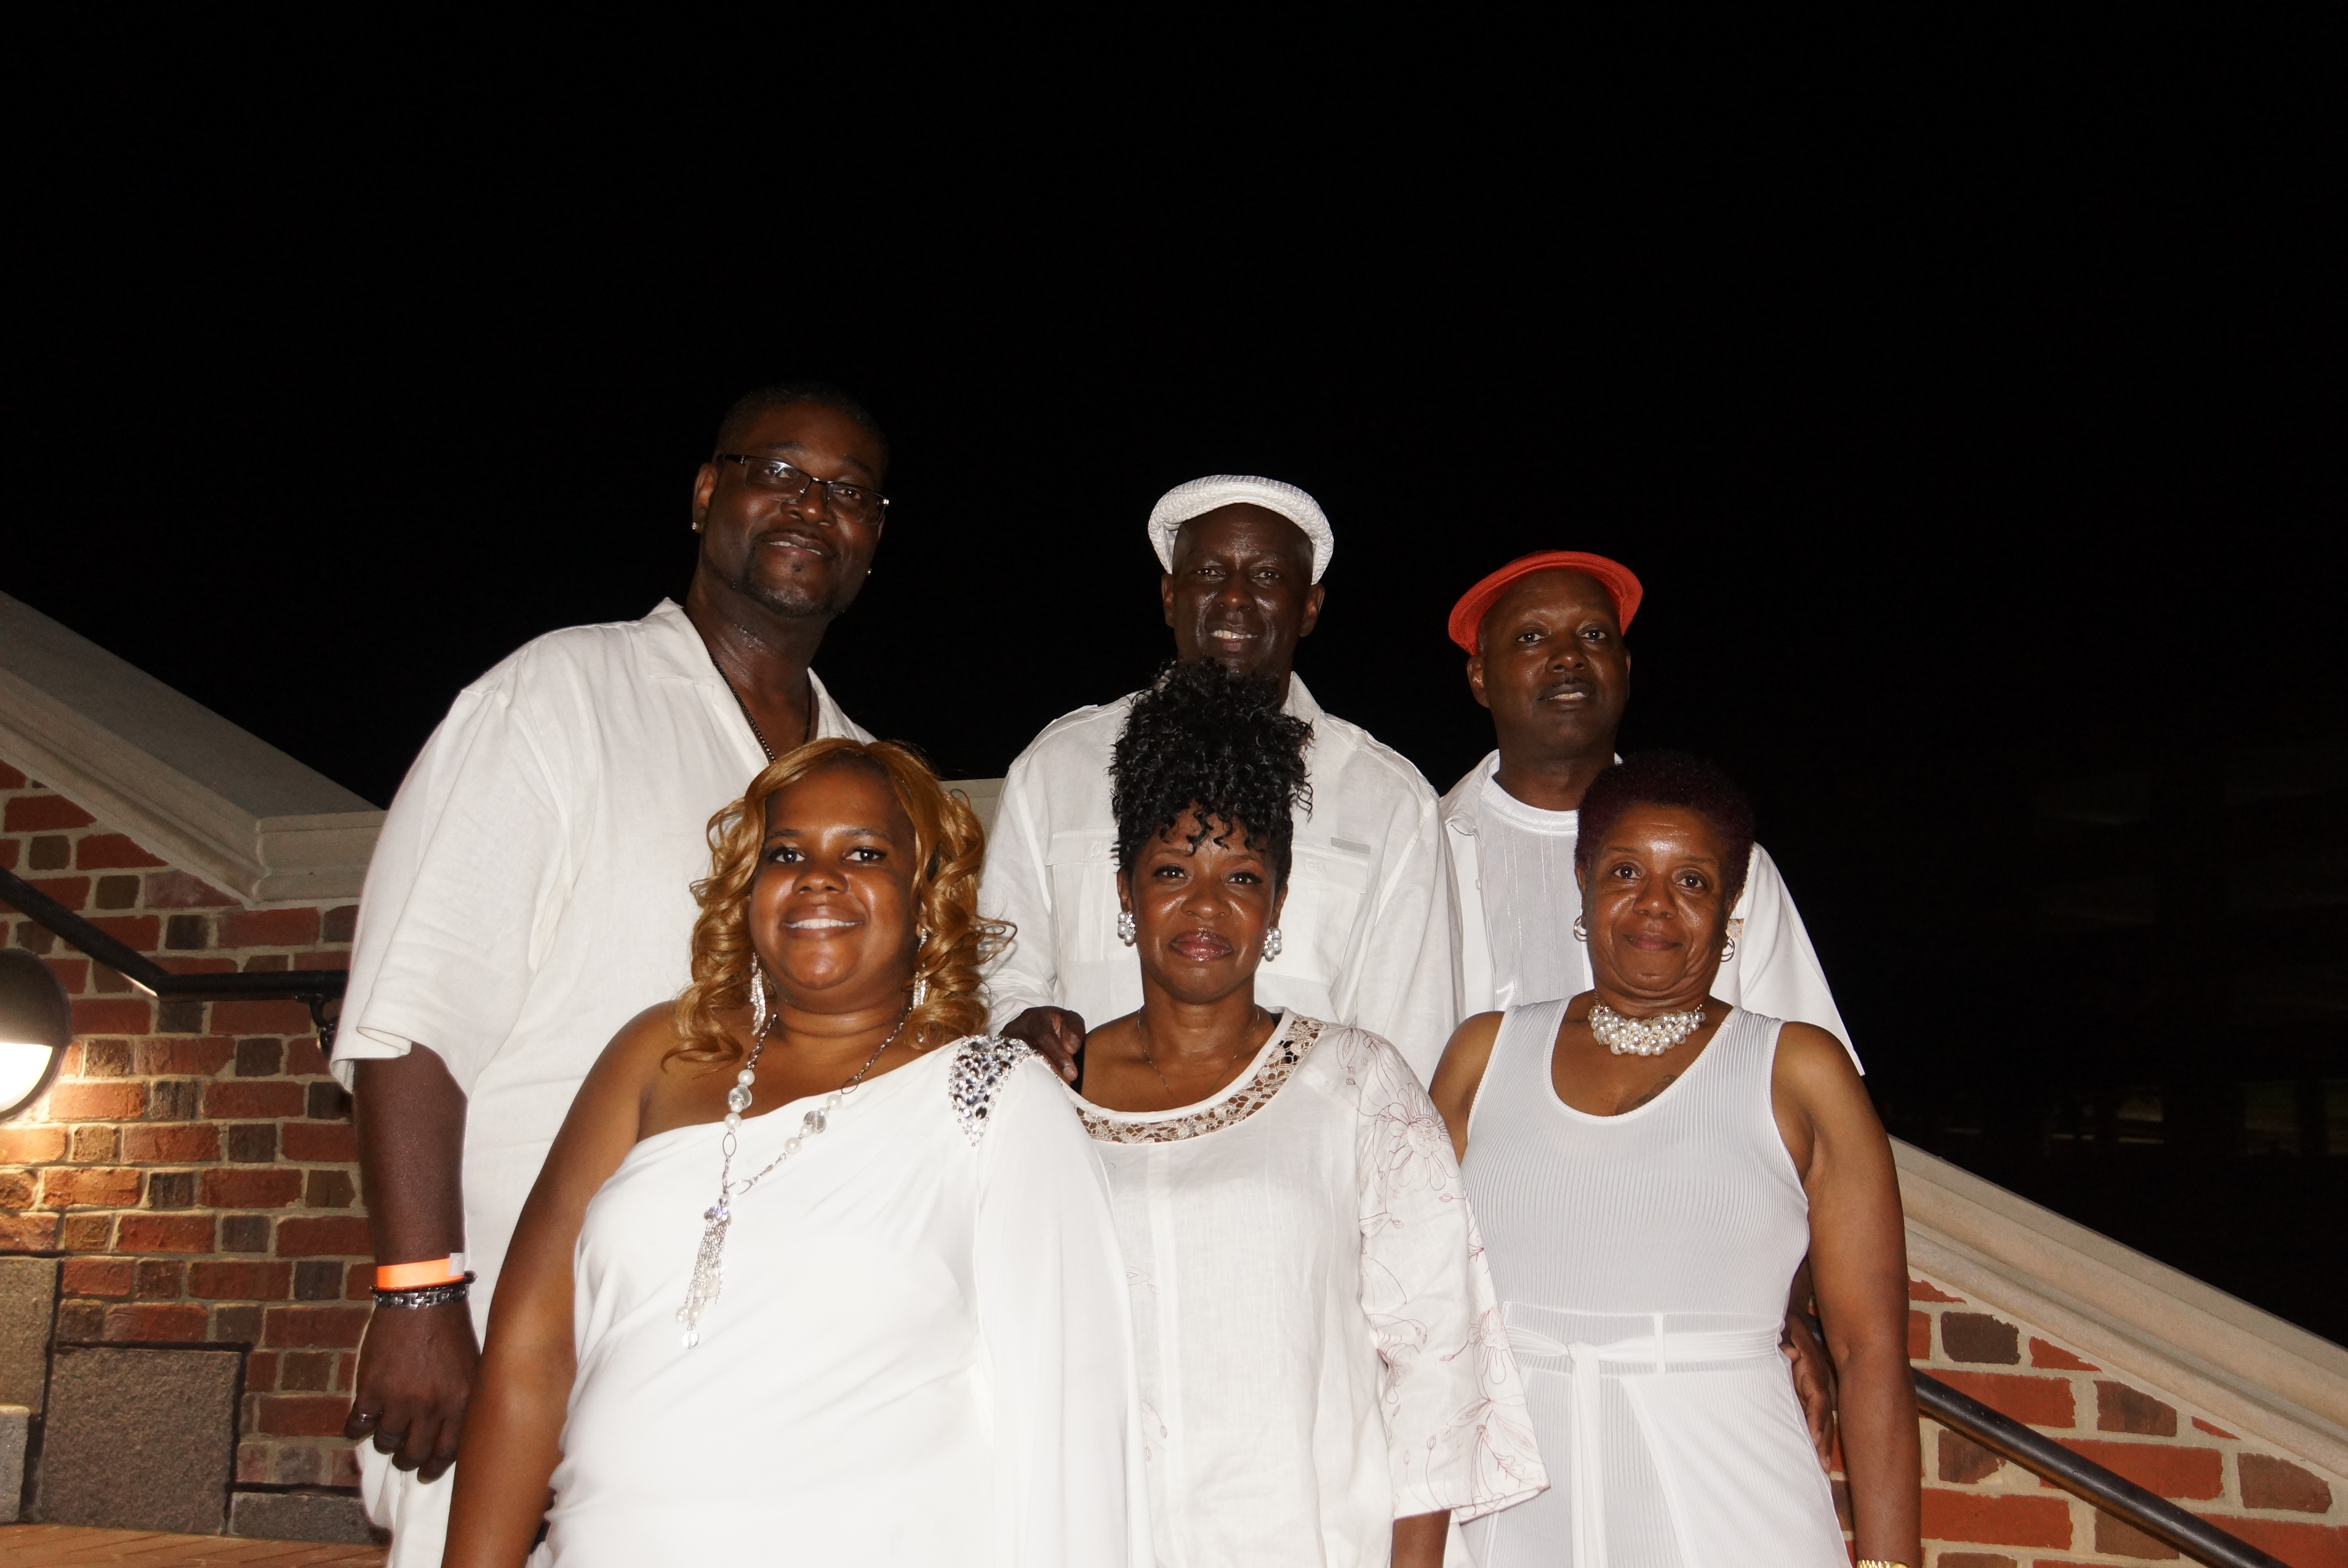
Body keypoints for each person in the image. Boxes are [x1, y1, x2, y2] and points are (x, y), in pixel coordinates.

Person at [331, 382, 890, 1564]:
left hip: (747, 1364)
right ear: (706, 493)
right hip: (521, 1335)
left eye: (847, 492)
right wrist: (421, 1295)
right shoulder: (558, 697)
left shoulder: (860, 777)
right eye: (778, 473)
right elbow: (412, 1017)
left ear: (872, 538)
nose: (811, 507)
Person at [445, 738, 1149, 1566]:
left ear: (925, 897)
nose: (819, 876)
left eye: (865, 853)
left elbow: (1071, 1413)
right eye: (787, 854)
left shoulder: (996, 1096)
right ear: (749, 890)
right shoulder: (656, 1054)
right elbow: (531, 1355)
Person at [1068, 659, 1546, 1567]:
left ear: (1278, 900)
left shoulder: (1359, 1086)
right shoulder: (1047, 1097)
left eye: (1242, 877)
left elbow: (1437, 1363)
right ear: (1125, 891)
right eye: (1171, 869)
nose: (1205, 905)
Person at [1429, 752, 1920, 1568]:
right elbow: (1417, 1312)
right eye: (1625, 871)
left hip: (1726, 1502)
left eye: (1691, 881)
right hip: (1509, 1508)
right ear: (1582, 883)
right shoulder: (1482, 1056)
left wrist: (1888, 1564)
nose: (1654, 903)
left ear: (1730, 908)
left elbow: (1870, 1354)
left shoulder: (1798, 1070)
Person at [984, 475, 1455, 1080]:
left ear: (1310, 607)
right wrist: (1021, 1029)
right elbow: (996, 977)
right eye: (1208, 572)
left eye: (1267, 575)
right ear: (1169, 596)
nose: (1234, 597)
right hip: (1079, 1129)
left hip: (1307, 1140)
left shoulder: (1389, 799)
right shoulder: (1058, 767)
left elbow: (1411, 1041)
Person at [1440, 551, 1851, 1050]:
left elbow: (1805, 1069)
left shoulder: (1727, 861)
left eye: (1594, 634)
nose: (1568, 656)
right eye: (1531, 637)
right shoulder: (1423, 854)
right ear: (1480, 678)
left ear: (1625, 668)